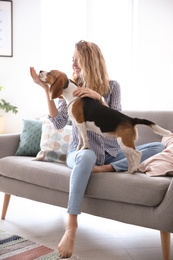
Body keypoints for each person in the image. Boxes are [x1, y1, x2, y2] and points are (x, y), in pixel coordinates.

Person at [30, 40, 164, 258]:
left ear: (89, 60)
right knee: (87, 156)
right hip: (81, 152)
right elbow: (58, 123)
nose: (72, 62)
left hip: (112, 153)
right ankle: (71, 227)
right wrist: (47, 90)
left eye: (76, 58)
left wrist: (99, 99)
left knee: (158, 145)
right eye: (71, 58)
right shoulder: (69, 89)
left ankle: (108, 168)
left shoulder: (113, 87)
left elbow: (118, 118)